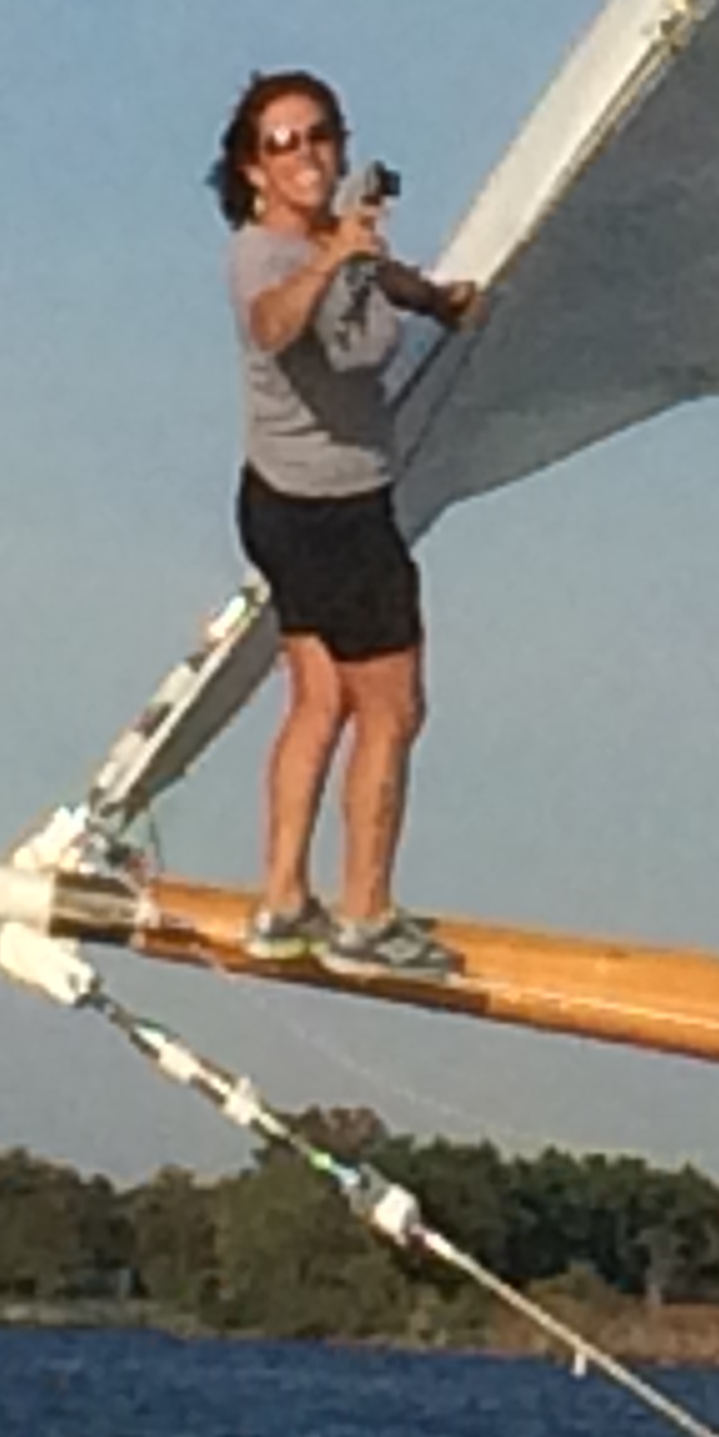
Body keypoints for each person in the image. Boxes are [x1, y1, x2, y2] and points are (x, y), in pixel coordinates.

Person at [208, 70, 479, 980]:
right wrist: (333, 260)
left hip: (280, 508)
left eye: (320, 134)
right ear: (253, 170)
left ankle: (283, 901)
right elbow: (278, 327)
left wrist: (431, 296)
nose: (309, 153)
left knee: (319, 701)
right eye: (284, 143)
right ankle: (365, 916)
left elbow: (374, 282)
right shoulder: (265, 257)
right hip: (333, 520)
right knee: (394, 710)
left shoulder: (334, 238)